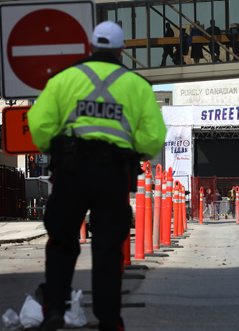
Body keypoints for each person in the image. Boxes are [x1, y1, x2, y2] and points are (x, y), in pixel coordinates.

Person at [28, 21, 167, 331]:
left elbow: (39, 125)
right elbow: (152, 137)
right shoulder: (137, 86)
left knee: (62, 242)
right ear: (121, 50)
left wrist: (55, 148)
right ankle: (108, 319)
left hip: (70, 171)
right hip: (112, 175)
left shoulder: (64, 80)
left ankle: (54, 311)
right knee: (107, 248)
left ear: (91, 46)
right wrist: (134, 152)